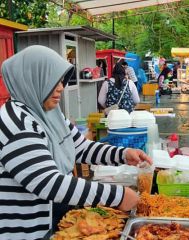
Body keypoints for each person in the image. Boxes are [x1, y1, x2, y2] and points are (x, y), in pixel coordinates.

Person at [0, 45, 152, 239]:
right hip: (25, 232)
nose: (61, 88)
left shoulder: (48, 112)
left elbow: (80, 147)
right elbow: (48, 183)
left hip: (51, 220)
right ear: (32, 80)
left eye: (61, 80)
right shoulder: (16, 123)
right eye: (52, 81)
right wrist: (118, 196)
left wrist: (122, 154)